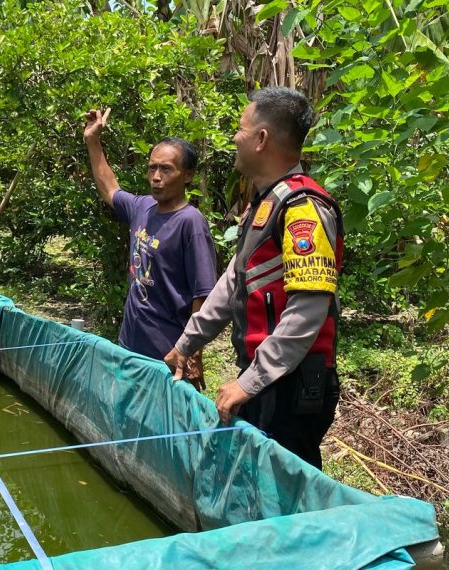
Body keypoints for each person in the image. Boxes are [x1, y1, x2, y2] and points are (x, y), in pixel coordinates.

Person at [164, 87, 344, 470]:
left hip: (291, 384)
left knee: (283, 495)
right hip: (268, 380)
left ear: (261, 139)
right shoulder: (265, 205)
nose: (234, 137)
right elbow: (233, 283)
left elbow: (308, 310)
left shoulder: (304, 210)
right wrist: (187, 343)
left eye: (240, 129)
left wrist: (251, 381)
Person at [83, 108, 218, 380]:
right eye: (152, 167)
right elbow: (109, 187)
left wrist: (191, 353)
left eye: (166, 169)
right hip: (130, 344)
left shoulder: (191, 223)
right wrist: (92, 140)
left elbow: (202, 297)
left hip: (166, 355)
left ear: (188, 175)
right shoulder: (143, 207)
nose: (156, 176)